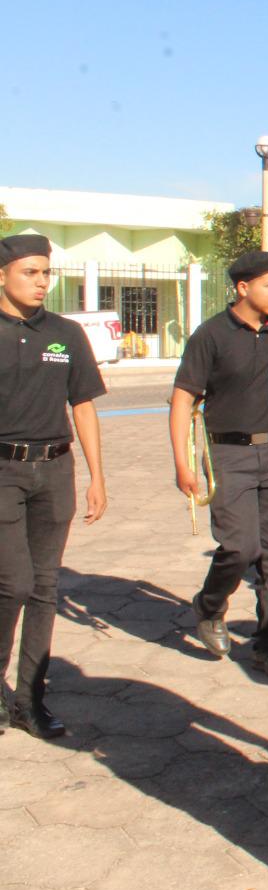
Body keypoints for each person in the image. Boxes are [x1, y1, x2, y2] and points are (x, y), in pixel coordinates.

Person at [169, 250, 268, 679]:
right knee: (241, 547)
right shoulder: (211, 335)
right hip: (229, 454)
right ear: (243, 288)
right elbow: (183, 399)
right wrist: (182, 465)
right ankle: (208, 606)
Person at [0, 234, 107, 739]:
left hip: (55, 471)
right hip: (3, 472)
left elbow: (82, 405)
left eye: (46, 273)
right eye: (30, 272)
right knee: (13, 584)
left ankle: (28, 701)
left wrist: (96, 477)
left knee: (44, 589)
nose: (42, 282)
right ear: (3, 275)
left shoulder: (64, 334)